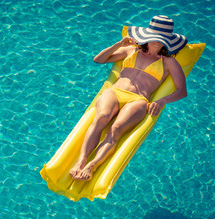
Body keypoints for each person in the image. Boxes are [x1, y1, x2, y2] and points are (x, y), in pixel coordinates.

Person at [69, 15, 188, 181]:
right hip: (115, 92)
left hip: (138, 100)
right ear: (146, 36)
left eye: (161, 39)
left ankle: (92, 165)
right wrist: (119, 44)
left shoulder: (168, 62)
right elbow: (99, 60)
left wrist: (162, 100)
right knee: (101, 117)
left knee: (115, 129)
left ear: (167, 41)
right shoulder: (131, 50)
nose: (156, 41)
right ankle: (81, 161)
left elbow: (182, 90)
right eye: (154, 36)